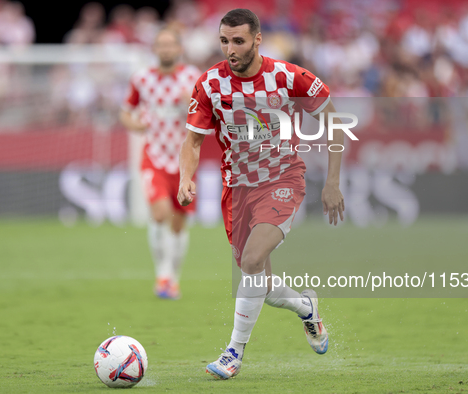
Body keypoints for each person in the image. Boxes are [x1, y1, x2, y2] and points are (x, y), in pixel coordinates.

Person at [177, 9, 345, 379]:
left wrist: (332, 182)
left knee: (252, 262)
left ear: (257, 40)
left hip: (283, 179)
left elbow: (335, 123)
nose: (230, 49)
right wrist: (186, 177)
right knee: (261, 284)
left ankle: (233, 353)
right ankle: (306, 307)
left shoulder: (288, 77)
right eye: (224, 41)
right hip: (237, 191)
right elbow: (191, 140)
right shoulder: (208, 85)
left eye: (237, 41)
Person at [120, 28, 200, 299]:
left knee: (178, 223)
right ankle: (162, 273)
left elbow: (208, 112)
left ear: (179, 48)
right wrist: (136, 124)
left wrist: (190, 101)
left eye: (170, 45)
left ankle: (173, 278)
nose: (166, 49)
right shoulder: (141, 79)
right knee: (159, 214)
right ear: (154, 49)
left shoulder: (192, 77)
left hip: (183, 160)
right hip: (153, 156)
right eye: (161, 45)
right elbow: (126, 112)